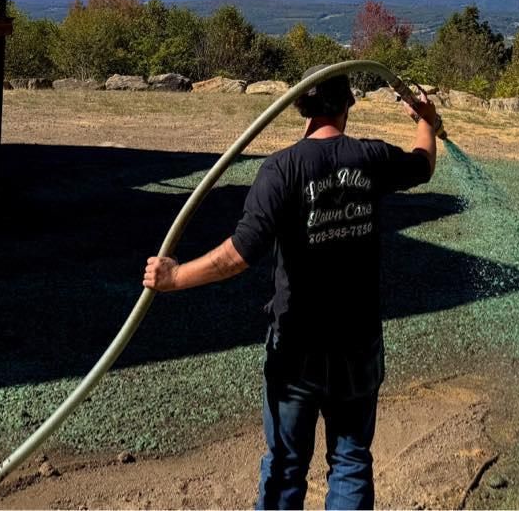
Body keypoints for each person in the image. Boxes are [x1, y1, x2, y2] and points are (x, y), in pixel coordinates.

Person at [143, 66, 440, 510]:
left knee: (285, 465)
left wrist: (175, 277)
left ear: (299, 106)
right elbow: (423, 164)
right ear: (348, 105)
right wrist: (425, 120)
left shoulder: (280, 170)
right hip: (357, 343)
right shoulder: (371, 158)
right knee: (351, 460)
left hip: (296, 345)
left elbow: (236, 257)